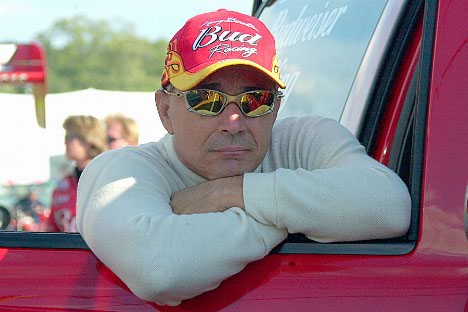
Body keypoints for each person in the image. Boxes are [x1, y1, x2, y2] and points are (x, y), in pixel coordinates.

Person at [76, 9, 411, 306]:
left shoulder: (306, 140)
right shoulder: (122, 171)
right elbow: (158, 270)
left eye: (255, 100)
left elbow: (391, 205)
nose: (233, 122)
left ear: (276, 108)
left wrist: (229, 193)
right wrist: (297, 218)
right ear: (165, 111)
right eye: (206, 100)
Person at [47, 115, 108, 232]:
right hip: (68, 249)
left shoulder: (109, 178)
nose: (65, 141)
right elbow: (51, 229)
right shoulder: (63, 184)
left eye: (70, 137)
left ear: (89, 140)